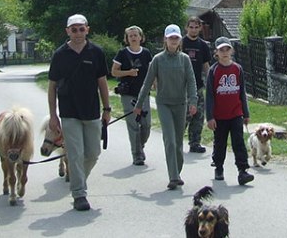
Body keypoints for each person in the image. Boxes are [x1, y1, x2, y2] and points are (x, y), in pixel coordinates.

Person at [48, 14, 111, 211]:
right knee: (75, 155)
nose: (78, 33)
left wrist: (107, 109)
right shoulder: (60, 55)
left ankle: (78, 179)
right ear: (67, 31)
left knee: (93, 153)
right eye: (73, 29)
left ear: (87, 30)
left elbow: (102, 82)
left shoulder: (96, 52)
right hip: (69, 113)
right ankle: (79, 194)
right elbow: (52, 86)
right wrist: (52, 115)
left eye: (81, 29)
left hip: (91, 111)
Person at [134, 24, 197, 190]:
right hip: (164, 104)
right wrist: (139, 104)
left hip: (180, 104)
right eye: (171, 38)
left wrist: (193, 101)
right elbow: (147, 83)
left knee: (178, 142)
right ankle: (173, 176)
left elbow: (191, 81)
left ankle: (177, 171)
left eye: (176, 38)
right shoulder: (157, 59)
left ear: (179, 40)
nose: (173, 41)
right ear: (165, 40)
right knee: (169, 140)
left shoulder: (184, 59)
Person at [206, 36, 254, 186]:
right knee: (220, 142)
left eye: (227, 49)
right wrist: (210, 117)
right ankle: (218, 167)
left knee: (238, 141)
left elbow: (242, 92)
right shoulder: (214, 71)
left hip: (235, 113)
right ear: (216, 53)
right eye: (222, 50)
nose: (225, 53)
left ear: (231, 51)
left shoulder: (237, 69)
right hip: (219, 115)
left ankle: (242, 170)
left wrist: (245, 114)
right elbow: (209, 96)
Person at [111, 25, 153, 166]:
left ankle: (140, 147)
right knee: (133, 125)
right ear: (127, 39)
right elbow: (114, 72)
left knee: (146, 125)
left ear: (141, 37)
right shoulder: (122, 53)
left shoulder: (146, 53)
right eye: (131, 36)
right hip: (128, 94)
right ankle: (137, 155)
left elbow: (153, 71)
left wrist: (155, 84)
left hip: (144, 94)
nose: (134, 38)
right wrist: (128, 72)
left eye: (136, 35)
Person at [182, 16, 212, 153]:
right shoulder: (181, 43)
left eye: (196, 27)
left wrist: (210, 80)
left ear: (200, 28)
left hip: (198, 85)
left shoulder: (203, 45)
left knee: (198, 115)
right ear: (186, 28)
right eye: (191, 27)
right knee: (185, 115)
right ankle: (176, 141)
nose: (193, 30)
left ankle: (195, 143)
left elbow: (206, 66)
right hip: (183, 86)